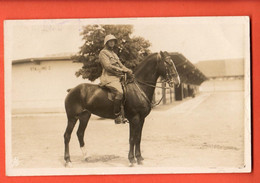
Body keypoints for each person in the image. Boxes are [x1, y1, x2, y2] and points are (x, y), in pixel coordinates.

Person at [99, 34, 133, 124]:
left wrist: (128, 70)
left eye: (113, 41)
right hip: (108, 77)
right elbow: (107, 67)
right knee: (120, 92)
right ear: (106, 42)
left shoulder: (114, 54)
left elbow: (121, 65)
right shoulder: (103, 53)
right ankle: (117, 115)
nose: (112, 42)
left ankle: (125, 114)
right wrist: (121, 70)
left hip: (118, 77)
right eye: (110, 41)